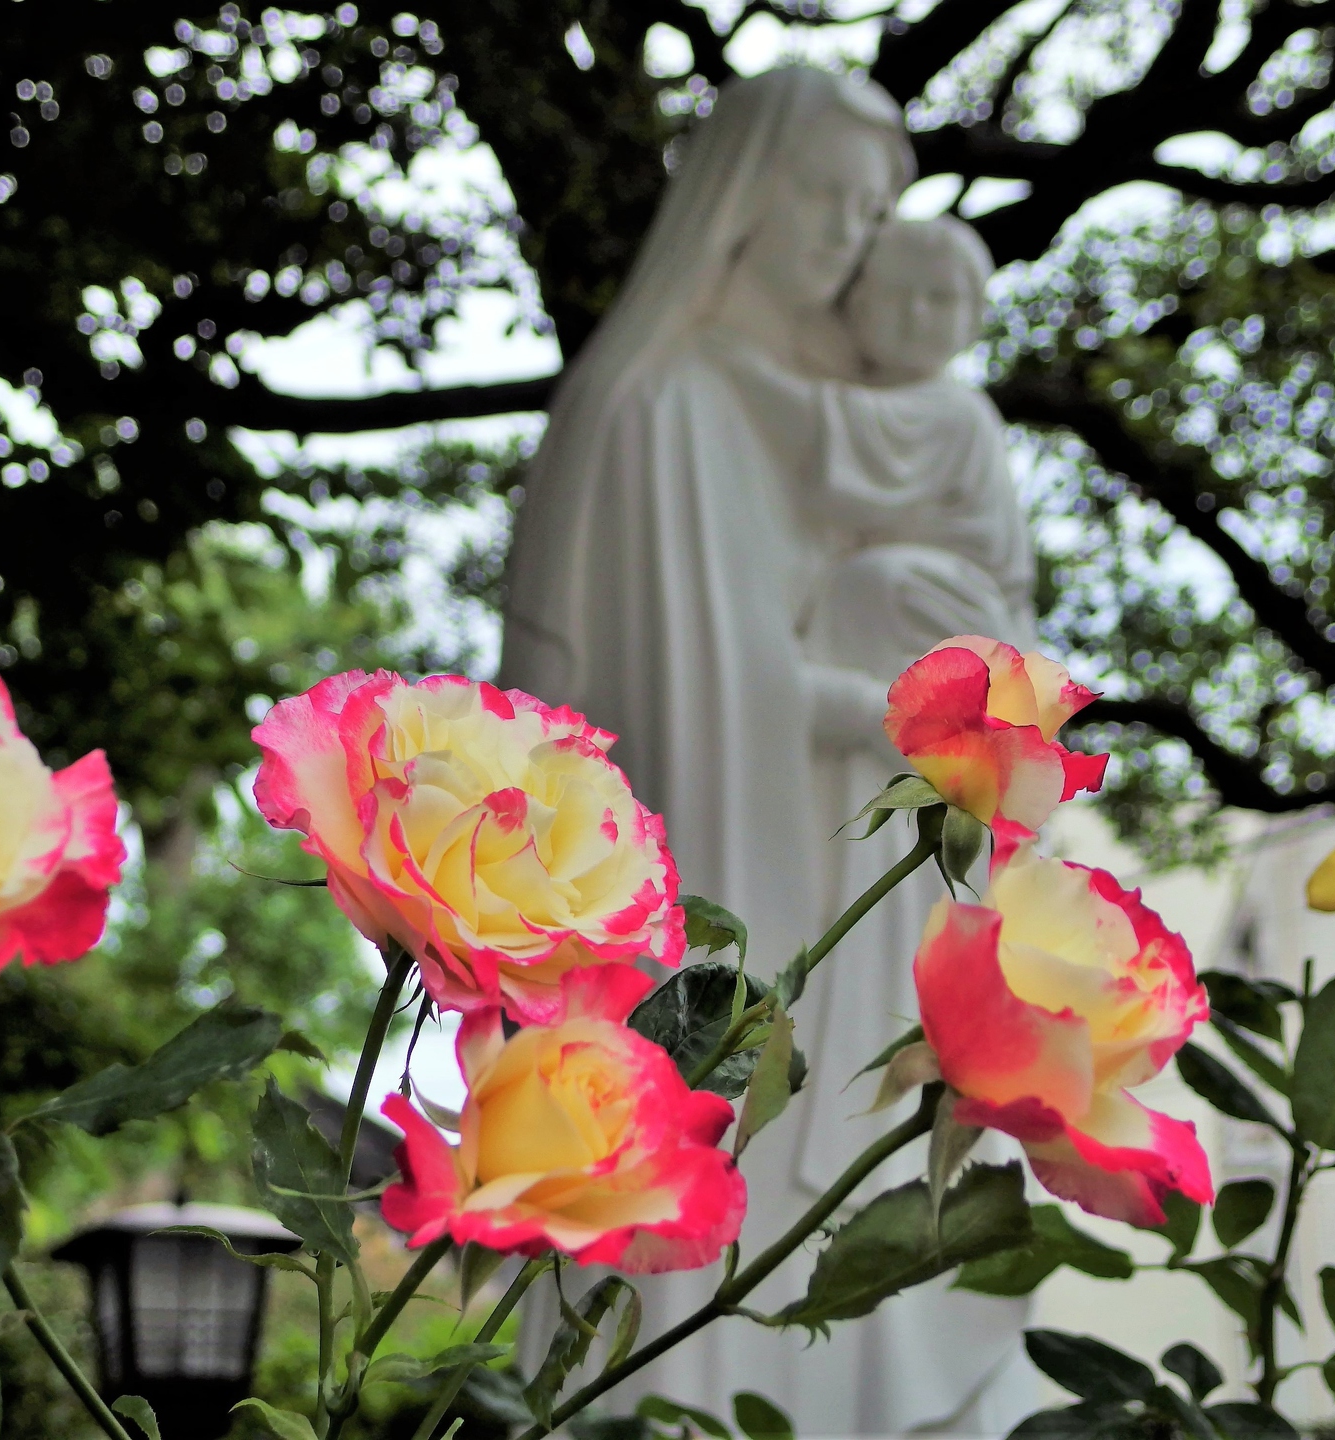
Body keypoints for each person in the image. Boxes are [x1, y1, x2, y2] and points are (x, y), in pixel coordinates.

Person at [498, 67, 1037, 1436]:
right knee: (696, 1132)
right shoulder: (655, 403)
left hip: (840, 884)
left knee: (836, 1135)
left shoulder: (846, 410)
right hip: (692, 863)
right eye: (825, 197)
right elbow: (585, 678)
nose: (850, 234)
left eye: (874, 206)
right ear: (745, 194)